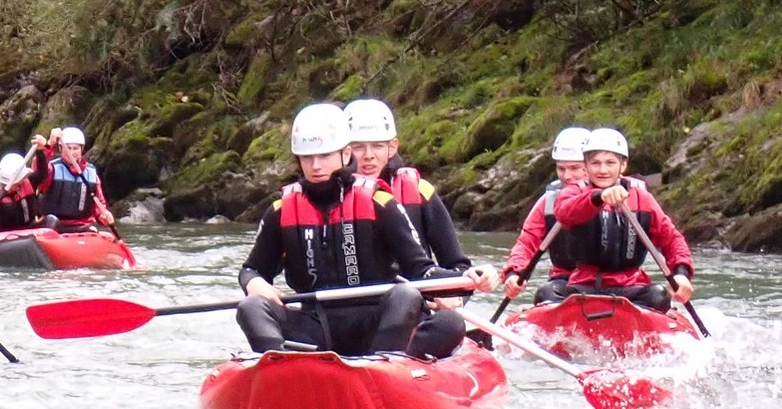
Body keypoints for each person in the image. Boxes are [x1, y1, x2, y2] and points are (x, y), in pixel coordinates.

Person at [236, 103, 489, 359]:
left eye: (324, 156)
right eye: (307, 158)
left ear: (346, 154)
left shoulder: (381, 203)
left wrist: (466, 279)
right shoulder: (281, 210)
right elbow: (251, 269)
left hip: (378, 323)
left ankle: (384, 364)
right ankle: (279, 366)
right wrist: (254, 282)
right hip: (316, 324)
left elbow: (420, 270)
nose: (316, 166)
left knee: (415, 300)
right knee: (250, 307)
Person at [552, 127, 693, 311]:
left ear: (623, 165)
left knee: (658, 295)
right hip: (583, 286)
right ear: (586, 166)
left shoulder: (643, 199)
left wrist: (681, 273)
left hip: (630, 286)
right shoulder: (574, 193)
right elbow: (564, 212)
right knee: (547, 293)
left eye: (610, 163)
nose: (603, 170)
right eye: (595, 163)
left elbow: (672, 239)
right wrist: (599, 197)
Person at [345, 98, 472, 271]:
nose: (369, 155)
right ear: (345, 151)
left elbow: (458, 264)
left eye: (377, 146)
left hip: (418, 285)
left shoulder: (420, 191)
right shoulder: (330, 199)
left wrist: (462, 288)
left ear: (392, 147)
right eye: (358, 147)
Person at [498, 127, 589, 305]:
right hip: (566, 282)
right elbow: (527, 243)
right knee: (545, 293)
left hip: (613, 282)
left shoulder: (617, 197)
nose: (567, 176)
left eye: (574, 168)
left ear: (591, 166)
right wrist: (514, 273)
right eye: (561, 168)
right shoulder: (548, 203)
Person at [26, 126, 114, 232]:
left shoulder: (91, 173)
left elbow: (99, 203)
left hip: (80, 225)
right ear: (61, 149)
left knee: (92, 229)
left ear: (82, 149)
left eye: (75, 148)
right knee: (52, 221)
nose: (71, 152)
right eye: (68, 148)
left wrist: (104, 215)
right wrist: (48, 146)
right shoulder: (52, 168)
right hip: (53, 225)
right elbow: (39, 172)